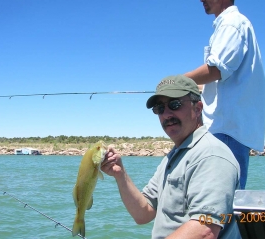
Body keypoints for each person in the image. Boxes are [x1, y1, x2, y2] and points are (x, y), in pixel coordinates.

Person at [101, 75, 241, 239]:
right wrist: (120, 174)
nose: (166, 114)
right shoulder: (174, 156)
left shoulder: (210, 155)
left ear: (198, 108)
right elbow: (144, 213)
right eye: (159, 108)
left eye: (175, 104)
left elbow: (205, 230)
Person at [185, 0, 265, 189]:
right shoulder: (230, 24)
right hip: (228, 128)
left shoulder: (231, 23)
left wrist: (177, 81)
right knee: (222, 203)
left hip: (226, 130)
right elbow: (217, 77)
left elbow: (217, 69)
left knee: (222, 205)